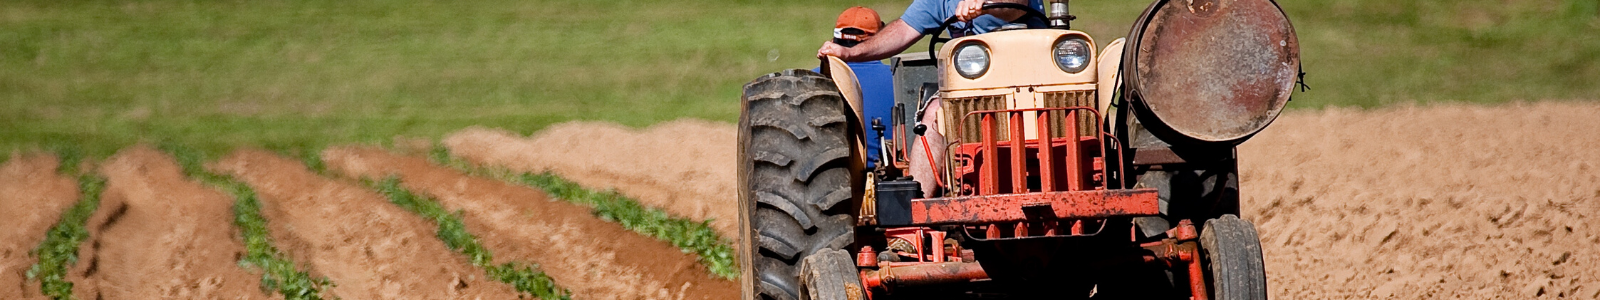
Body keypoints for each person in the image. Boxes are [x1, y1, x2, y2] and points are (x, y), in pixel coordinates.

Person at [818, 0, 1043, 197]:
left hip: (1032, 80)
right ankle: (916, 212)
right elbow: (903, 30)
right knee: (935, 115)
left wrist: (984, 4)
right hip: (970, 88)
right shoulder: (938, 1)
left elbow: (1017, 5)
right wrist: (850, 53)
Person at [812, 6, 896, 169]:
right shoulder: (899, 78)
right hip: (893, 176)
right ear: (880, 40)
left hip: (830, 176)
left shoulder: (813, 80)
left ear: (835, 38)